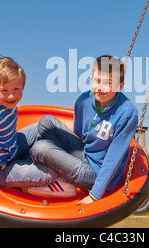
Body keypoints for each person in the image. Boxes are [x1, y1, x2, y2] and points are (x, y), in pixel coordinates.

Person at [0, 56, 76, 197]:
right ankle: (35, 186)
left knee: (43, 126)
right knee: (50, 172)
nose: (11, 96)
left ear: (23, 86)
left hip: (9, 147)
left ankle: (59, 154)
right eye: (4, 91)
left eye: (16, 89)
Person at [29, 55, 139, 204]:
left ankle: (58, 181)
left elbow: (114, 157)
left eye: (108, 83)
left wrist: (95, 195)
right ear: (91, 78)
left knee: (40, 148)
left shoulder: (127, 112)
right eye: (97, 80)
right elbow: (77, 135)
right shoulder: (83, 101)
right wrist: (63, 161)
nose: (100, 87)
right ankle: (60, 177)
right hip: (84, 155)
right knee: (46, 121)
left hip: (96, 173)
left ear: (120, 86)